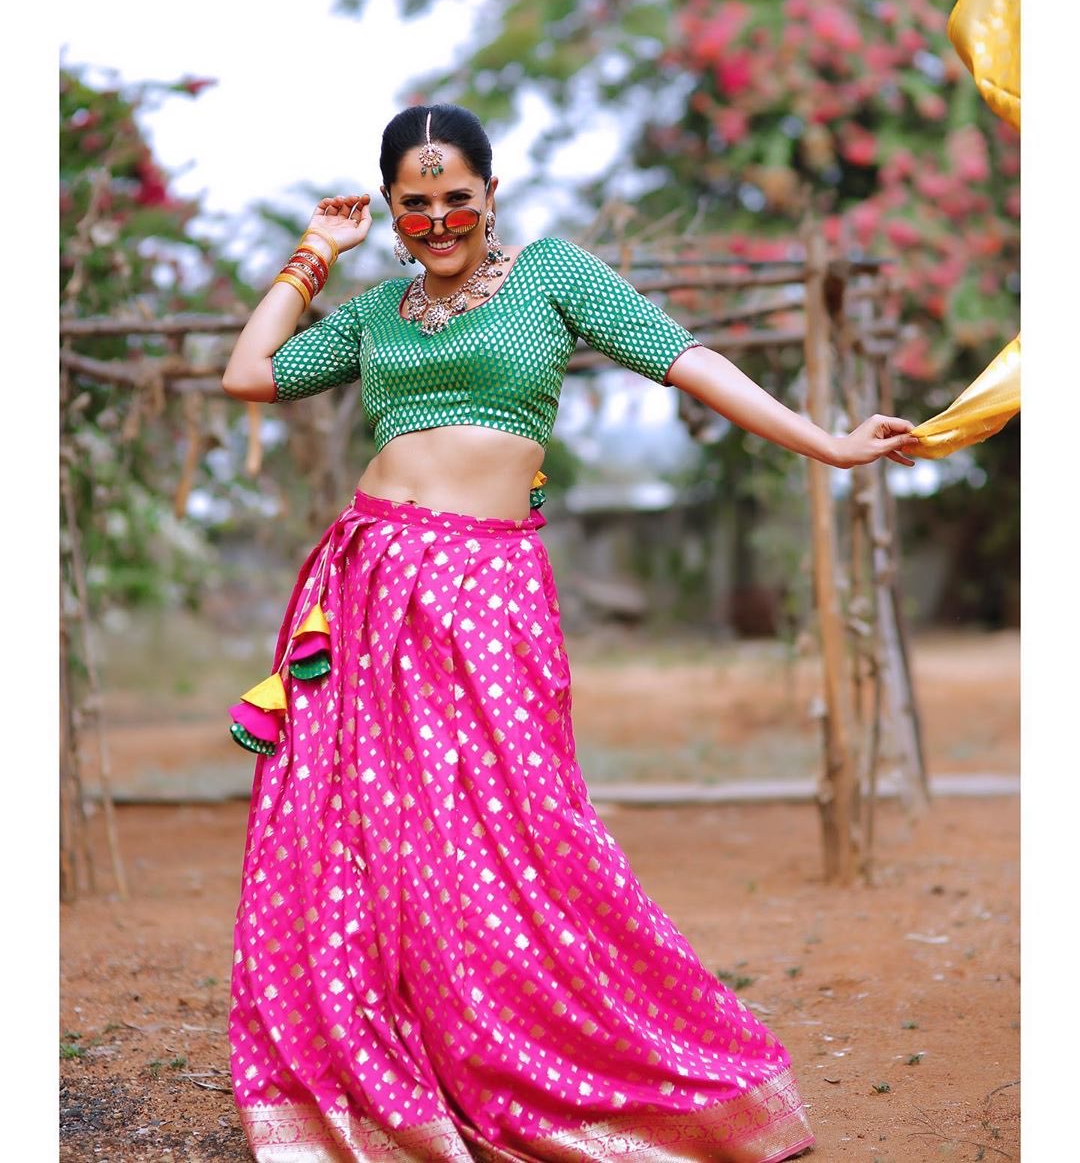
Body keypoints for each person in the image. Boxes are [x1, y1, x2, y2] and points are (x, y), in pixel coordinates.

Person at [221, 103, 918, 1162]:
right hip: (369, 589)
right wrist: (315, 253)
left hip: (489, 590)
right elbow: (249, 374)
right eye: (416, 205)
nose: (439, 222)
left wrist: (825, 443)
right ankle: (411, 1062)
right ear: (393, 212)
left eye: (457, 198)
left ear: (491, 194)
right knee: (374, 835)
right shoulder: (373, 314)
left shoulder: (552, 275)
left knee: (524, 828)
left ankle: (567, 1058)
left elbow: (684, 357)